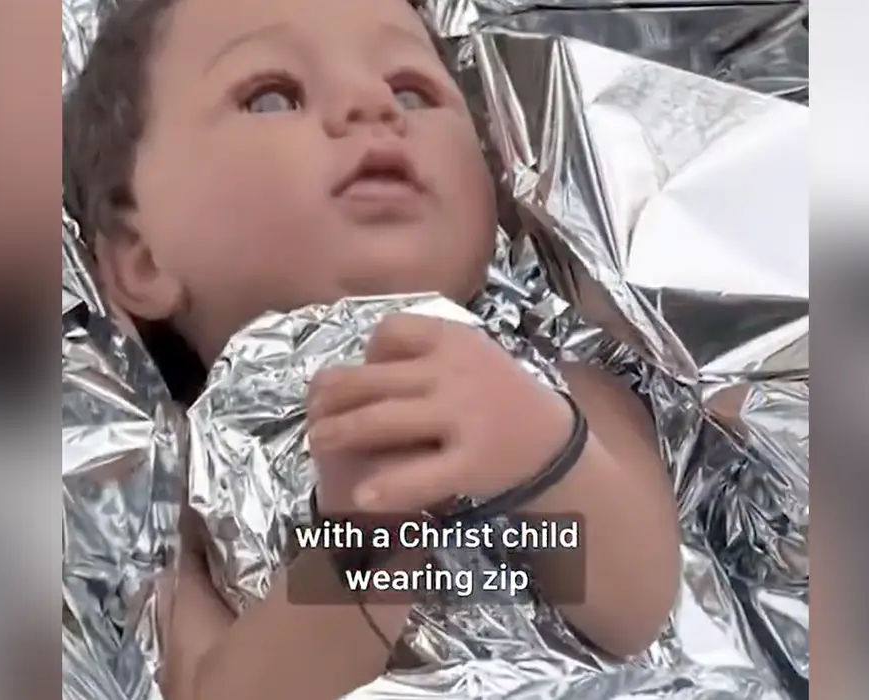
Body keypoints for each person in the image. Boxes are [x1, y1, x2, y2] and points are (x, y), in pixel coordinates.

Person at [62, 0, 681, 697]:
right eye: (271, 96)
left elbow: (637, 606)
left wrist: (539, 448)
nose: (369, 104)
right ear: (142, 258)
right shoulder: (170, 495)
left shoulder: (561, 389)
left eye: (412, 90)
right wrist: (363, 556)